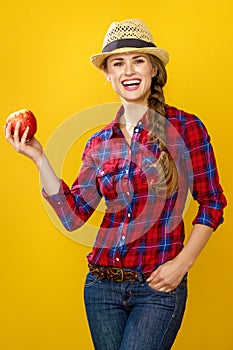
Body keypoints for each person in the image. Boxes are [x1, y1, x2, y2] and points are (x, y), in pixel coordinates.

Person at [5, 18, 227, 350]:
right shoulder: (98, 142)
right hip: (101, 288)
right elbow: (73, 215)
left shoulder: (186, 127)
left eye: (138, 60)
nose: (128, 70)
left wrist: (182, 264)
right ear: (107, 74)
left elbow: (212, 202)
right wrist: (39, 158)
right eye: (117, 63)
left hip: (157, 288)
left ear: (153, 68)